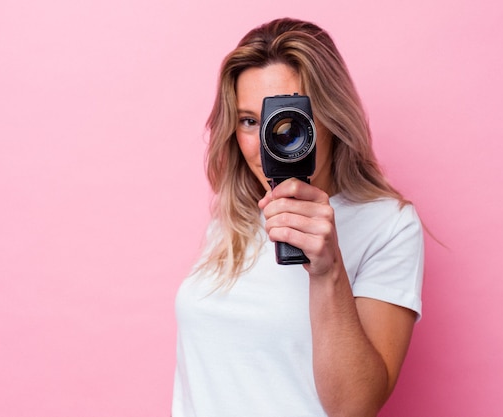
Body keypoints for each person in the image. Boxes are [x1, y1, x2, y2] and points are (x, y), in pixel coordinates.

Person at [172, 17, 424, 417]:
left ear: (329, 117)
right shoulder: (232, 217)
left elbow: (354, 408)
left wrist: (328, 270)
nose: (268, 143)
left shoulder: (388, 226)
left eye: (287, 121)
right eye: (250, 121)